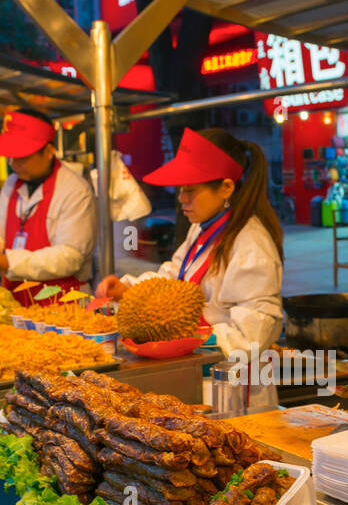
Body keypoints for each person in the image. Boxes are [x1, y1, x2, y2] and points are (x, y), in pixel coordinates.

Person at [94, 128, 285, 406]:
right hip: (202, 378)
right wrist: (129, 289)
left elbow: (253, 334)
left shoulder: (251, 245)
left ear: (226, 187)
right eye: (181, 189)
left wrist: (187, 337)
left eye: (191, 190)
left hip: (236, 390)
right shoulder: (202, 228)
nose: (182, 198)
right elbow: (174, 277)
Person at [0, 107, 98, 303]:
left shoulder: (75, 190)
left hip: (64, 304)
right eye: (11, 156)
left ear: (49, 151)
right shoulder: (11, 184)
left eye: (23, 157)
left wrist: (6, 262)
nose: (13, 163)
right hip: (16, 301)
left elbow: (70, 257)